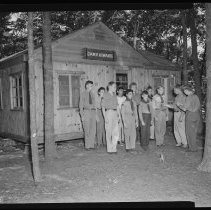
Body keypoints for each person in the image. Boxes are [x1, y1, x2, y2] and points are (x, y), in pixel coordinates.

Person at [177, 85, 201, 152]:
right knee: (194, 132)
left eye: (184, 91)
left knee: (189, 133)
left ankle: (192, 148)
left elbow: (185, 109)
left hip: (190, 116)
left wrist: (179, 105)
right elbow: (197, 106)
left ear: (187, 90)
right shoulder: (196, 96)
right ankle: (194, 147)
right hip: (197, 116)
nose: (184, 93)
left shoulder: (188, 97)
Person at [102, 81, 120, 154]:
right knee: (108, 132)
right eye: (114, 87)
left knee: (115, 132)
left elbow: (117, 106)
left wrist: (119, 116)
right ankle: (109, 149)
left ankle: (114, 148)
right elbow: (103, 107)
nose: (115, 88)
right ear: (109, 87)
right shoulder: (105, 95)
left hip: (115, 113)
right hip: (108, 113)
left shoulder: (115, 95)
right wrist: (105, 117)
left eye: (115, 87)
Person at [79, 80, 97, 150]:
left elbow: (94, 104)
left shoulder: (92, 94)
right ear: (86, 86)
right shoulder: (83, 94)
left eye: (92, 86)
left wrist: (95, 114)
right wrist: (82, 115)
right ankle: (87, 146)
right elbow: (80, 105)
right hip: (86, 112)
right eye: (90, 85)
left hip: (92, 112)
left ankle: (91, 145)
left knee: (93, 129)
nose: (91, 87)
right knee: (87, 129)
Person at [121, 89, 139, 154]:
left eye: (132, 94)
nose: (131, 95)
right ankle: (128, 147)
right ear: (126, 95)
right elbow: (122, 113)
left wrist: (137, 121)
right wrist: (124, 122)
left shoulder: (134, 102)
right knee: (127, 133)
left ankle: (132, 146)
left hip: (133, 118)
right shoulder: (124, 103)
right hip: (127, 118)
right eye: (129, 94)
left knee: (133, 133)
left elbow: (136, 112)